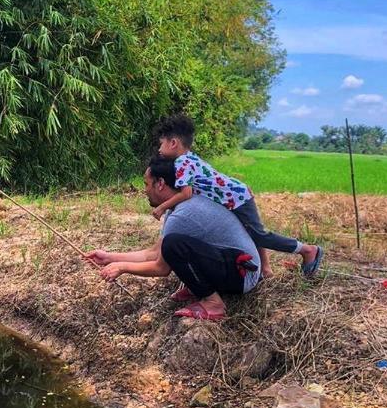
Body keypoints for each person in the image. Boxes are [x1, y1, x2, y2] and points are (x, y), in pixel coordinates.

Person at [85, 156, 262, 320]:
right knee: (171, 246)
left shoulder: (183, 214)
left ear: (160, 183)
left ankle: (214, 304)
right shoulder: (175, 208)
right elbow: (154, 252)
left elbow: (161, 268)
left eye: (146, 184)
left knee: (174, 245)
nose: (144, 190)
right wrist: (109, 257)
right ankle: (201, 289)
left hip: (244, 274)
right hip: (232, 265)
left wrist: (123, 267)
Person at [151, 113, 323, 279]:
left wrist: (162, 207)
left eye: (161, 144)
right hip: (235, 196)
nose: (159, 149)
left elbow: (186, 193)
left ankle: (307, 250)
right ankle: (266, 269)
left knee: (259, 235)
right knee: (252, 232)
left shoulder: (181, 162)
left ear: (173, 143)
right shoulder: (189, 158)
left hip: (236, 199)